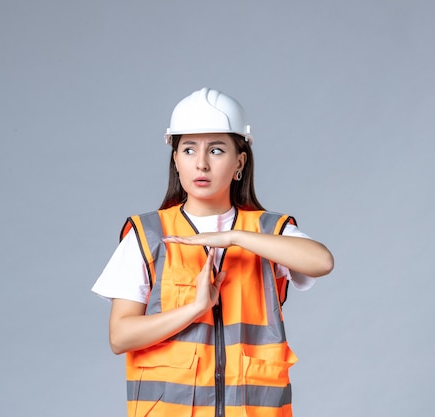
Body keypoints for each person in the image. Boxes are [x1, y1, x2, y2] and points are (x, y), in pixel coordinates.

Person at [92, 87, 334, 417]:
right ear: (175, 160)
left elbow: (321, 261)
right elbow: (120, 337)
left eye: (217, 150)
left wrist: (236, 236)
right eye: (189, 150)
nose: (201, 163)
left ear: (240, 162)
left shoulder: (266, 231)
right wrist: (195, 308)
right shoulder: (147, 235)